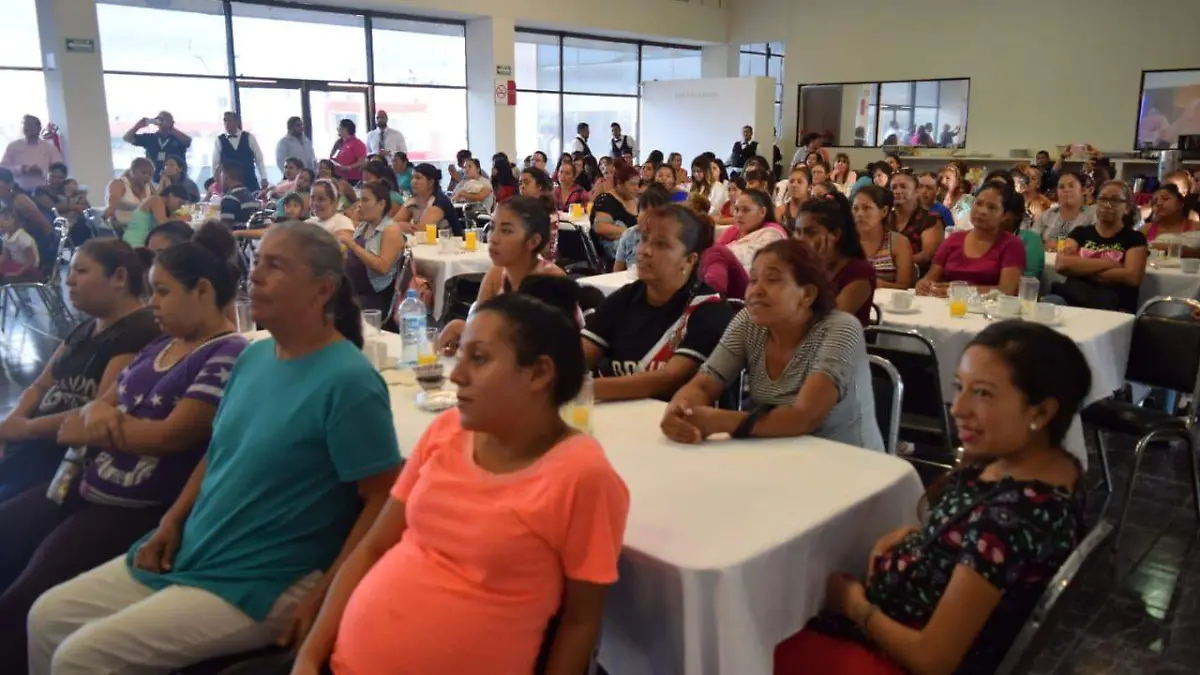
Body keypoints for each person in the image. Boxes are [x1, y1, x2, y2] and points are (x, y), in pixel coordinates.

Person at [29, 222, 402, 675]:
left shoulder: (349, 382)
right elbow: (221, 449)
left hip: (264, 578)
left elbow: (381, 498)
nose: (256, 275)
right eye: (258, 261)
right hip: (202, 546)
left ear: (322, 289)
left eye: (275, 266)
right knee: (46, 617)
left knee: (81, 657)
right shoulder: (254, 356)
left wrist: (327, 597)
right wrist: (173, 519)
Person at [293, 274, 627, 675]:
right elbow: (374, 547)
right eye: (462, 356)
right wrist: (309, 657)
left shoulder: (581, 475)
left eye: (480, 359)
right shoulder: (447, 431)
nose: (456, 374)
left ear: (539, 374)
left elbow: (580, 622)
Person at [0, 230, 248, 674]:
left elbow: (173, 436)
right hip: (84, 482)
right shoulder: (159, 345)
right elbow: (89, 411)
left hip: (136, 507)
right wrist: (103, 422)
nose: (152, 302)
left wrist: (103, 427)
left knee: (25, 602)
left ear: (203, 292)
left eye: (163, 292)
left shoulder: (226, 352)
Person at [778, 321, 1088, 675]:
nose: (958, 408)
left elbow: (933, 660)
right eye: (960, 387)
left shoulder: (1009, 520)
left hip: (897, 654)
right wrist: (917, 539)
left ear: (1042, 412)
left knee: (757, 638)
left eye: (983, 393)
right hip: (907, 612)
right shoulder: (1048, 466)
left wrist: (854, 606)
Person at [664, 238, 883, 451]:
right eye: (753, 280)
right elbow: (704, 383)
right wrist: (680, 411)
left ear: (807, 294)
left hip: (849, 463)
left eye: (773, 279)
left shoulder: (840, 328)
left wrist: (721, 421)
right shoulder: (749, 322)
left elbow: (804, 416)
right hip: (778, 452)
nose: (756, 290)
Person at [0, 238, 159, 506]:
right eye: (71, 271)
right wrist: (9, 427)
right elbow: (40, 386)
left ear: (119, 277)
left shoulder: (138, 330)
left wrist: (26, 428)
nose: (69, 281)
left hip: (64, 458)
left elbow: (100, 407)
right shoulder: (85, 329)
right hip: (33, 446)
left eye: (81, 271)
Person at [584, 204, 731, 402]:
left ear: (688, 261)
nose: (645, 251)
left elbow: (668, 379)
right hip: (616, 418)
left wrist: (582, 390)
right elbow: (579, 357)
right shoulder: (625, 298)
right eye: (644, 239)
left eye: (661, 244)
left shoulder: (708, 308)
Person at [437, 196, 565, 352]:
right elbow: (479, 325)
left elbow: (540, 349)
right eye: (492, 227)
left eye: (506, 231)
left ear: (533, 241)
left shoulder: (551, 280)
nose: (494, 238)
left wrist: (466, 332)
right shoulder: (496, 274)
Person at [1051, 180, 1147, 313]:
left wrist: (1080, 268)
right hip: (1072, 298)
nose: (1106, 205)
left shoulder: (1135, 238)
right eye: (1102, 199)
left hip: (1113, 305)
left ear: (1127, 208)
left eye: (1115, 200)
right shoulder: (1080, 233)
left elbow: (1131, 277)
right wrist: (1109, 263)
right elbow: (1061, 264)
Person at [918, 183, 1027, 297]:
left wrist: (958, 291)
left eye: (992, 207)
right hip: (948, 308)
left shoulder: (1012, 245)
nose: (982, 211)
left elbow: (1007, 290)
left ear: (1004, 215)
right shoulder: (953, 240)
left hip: (989, 311)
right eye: (979, 203)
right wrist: (923, 285)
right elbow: (931, 278)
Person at [795, 193, 876, 327]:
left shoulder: (860, 272)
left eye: (811, 232)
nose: (801, 240)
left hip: (840, 344)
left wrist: (817, 268)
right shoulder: (800, 264)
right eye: (798, 232)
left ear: (836, 234)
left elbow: (827, 325)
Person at [336, 181, 405, 316]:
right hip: (354, 290)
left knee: (330, 310)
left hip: (374, 297)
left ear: (381, 204)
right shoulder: (364, 226)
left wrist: (353, 245)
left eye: (365, 200)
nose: (360, 205)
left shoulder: (390, 230)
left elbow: (382, 267)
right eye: (360, 200)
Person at [855, 186, 914, 290]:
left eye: (866, 208)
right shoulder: (844, 242)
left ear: (884, 211)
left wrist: (878, 285)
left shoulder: (898, 243)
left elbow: (905, 287)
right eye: (855, 208)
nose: (859, 214)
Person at [0, 168, 54, 274]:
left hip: (32, 246)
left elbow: (46, 226)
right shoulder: (4, 201)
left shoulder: (20, 201)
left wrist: (48, 261)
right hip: (15, 243)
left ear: (10, 185)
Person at [889, 171, 943, 271]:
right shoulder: (885, 219)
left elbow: (928, 254)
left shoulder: (930, 219)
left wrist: (896, 265)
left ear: (916, 191)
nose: (897, 191)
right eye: (894, 187)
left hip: (918, 276)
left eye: (903, 186)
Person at [614, 184, 672, 272]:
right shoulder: (629, 234)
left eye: (654, 212)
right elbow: (617, 270)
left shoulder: (669, 237)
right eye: (644, 210)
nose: (647, 216)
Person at [591, 161, 641, 264]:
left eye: (637, 184)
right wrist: (631, 233)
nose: (636, 188)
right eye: (632, 184)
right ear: (619, 184)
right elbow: (600, 227)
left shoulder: (636, 201)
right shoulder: (606, 200)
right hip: (614, 250)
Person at [122, 112, 192, 182]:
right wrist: (137, 126)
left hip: (176, 181)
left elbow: (188, 141)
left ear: (172, 123)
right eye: (160, 119)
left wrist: (170, 127)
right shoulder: (150, 138)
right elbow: (127, 138)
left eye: (164, 119)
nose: (162, 121)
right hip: (153, 180)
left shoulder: (178, 138)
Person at [397, 163, 463, 236]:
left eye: (418, 178)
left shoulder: (439, 202)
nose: (413, 181)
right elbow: (390, 225)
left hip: (451, 244)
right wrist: (401, 226)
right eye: (412, 177)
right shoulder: (413, 200)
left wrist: (401, 226)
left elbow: (419, 232)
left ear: (431, 182)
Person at [1, 115, 63, 192]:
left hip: (43, 192)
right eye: (24, 125)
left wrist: (42, 172)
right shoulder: (13, 146)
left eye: (30, 125)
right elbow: (3, 169)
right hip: (18, 192)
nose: (26, 128)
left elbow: (60, 170)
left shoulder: (50, 147)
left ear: (39, 128)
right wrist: (21, 169)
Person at [1034, 171, 1095, 247]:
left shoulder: (1092, 215)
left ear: (1082, 190)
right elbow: (1032, 240)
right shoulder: (1047, 214)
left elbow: (1093, 245)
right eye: (1061, 187)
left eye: (1071, 186)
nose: (1066, 190)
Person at [213, 112, 268, 192]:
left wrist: (263, 177)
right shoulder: (219, 140)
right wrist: (217, 182)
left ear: (236, 122)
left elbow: (259, 158)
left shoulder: (249, 137)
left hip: (249, 180)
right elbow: (216, 164)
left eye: (230, 120)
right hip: (229, 184)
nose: (227, 123)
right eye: (225, 120)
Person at [124, 184, 192, 247]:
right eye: (179, 203)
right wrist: (181, 218)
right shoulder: (156, 200)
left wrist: (178, 216)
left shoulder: (166, 207)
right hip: (135, 241)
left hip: (144, 240)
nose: (179, 207)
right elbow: (162, 223)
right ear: (171, 195)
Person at [104, 157, 155, 231]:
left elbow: (158, 205)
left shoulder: (149, 186)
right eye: (144, 173)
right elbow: (112, 207)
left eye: (150, 174)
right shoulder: (118, 184)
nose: (147, 176)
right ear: (133, 171)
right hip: (121, 227)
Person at [1141, 184, 1195, 253]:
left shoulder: (1195, 227)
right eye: (1155, 202)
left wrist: (1165, 247)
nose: (1159, 203)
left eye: (1165, 199)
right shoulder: (1146, 229)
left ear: (1180, 203)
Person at [0, 207, 40, 282]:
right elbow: (4, 255)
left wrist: (17, 273)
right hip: (16, 264)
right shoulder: (6, 236)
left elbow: (31, 260)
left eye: (1, 225)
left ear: (11, 220)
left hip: (28, 268)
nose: (0, 229)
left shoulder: (22, 237)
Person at [776, 166, 812, 234]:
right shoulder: (780, 211)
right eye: (791, 181)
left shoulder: (816, 211)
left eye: (799, 182)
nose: (794, 185)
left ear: (809, 187)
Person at [330, 119, 368, 184]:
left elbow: (362, 162)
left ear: (345, 129)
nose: (338, 130)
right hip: (338, 176)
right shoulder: (340, 143)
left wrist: (349, 167)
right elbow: (332, 157)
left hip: (352, 179)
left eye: (339, 128)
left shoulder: (357, 143)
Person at [940, 163, 974, 227]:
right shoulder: (940, 199)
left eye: (948, 178)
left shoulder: (968, 201)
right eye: (942, 178)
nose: (943, 181)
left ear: (958, 181)